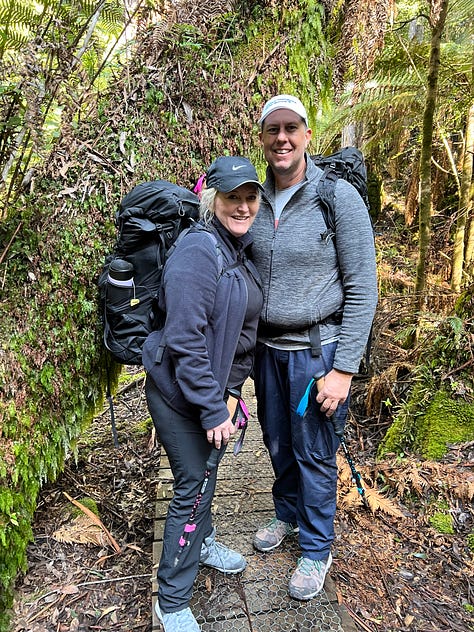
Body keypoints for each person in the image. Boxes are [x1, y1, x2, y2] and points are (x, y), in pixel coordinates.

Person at [250, 94, 378, 601]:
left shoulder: (336, 197)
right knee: (277, 443)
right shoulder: (252, 198)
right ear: (262, 138)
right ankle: (287, 514)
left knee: (315, 451)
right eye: (272, 129)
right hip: (267, 351)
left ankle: (316, 547)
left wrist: (344, 368)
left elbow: (363, 285)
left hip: (317, 351)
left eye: (292, 128)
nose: (282, 137)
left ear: (306, 135)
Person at [142, 156, 264, 632]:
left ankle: (204, 540)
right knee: (192, 486)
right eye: (233, 197)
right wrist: (215, 409)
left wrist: (231, 393)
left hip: (212, 393)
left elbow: (242, 337)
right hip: (177, 395)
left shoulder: (240, 250)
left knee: (208, 474)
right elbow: (185, 341)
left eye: (250, 196)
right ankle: (170, 601)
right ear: (212, 199)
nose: (243, 206)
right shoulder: (198, 250)